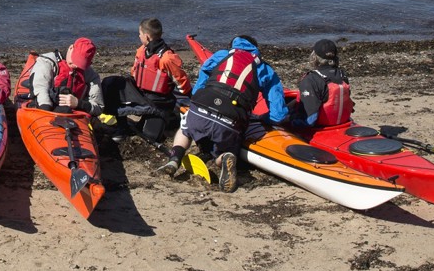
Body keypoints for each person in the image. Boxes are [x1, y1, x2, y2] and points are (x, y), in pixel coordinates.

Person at [164, 35, 285, 193]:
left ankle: (175, 157)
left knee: (185, 128)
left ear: (233, 46)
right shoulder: (266, 70)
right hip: (231, 121)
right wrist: (259, 118)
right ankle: (224, 157)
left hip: (202, 109)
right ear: (256, 50)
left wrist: (199, 103)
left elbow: (197, 89)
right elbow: (279, 115)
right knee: (226, 149)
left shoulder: (221, 55)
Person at [99, 18, 189, 144]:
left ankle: (167, 118)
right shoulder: (142, 50)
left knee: (150, 136)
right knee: (111, 83)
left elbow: (182, 83)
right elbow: (134, 72)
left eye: (140, 34)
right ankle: (122, 126)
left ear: (146, 36)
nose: (138, 36)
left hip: (158, 102)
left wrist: (189, 98)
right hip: (141, 92)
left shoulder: (167, 58)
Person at [16, 38, 104, 114]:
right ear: (70, 48)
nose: (75, 65)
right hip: (46, 108)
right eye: (75, 60)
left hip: (74, 112)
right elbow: (41, 87)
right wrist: (45, 109)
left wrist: (78, 103)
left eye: (81, 64)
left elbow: (99, 107)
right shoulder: (47, 62)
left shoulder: (91, 75)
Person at [282, 38, 354, 131]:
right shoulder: (342, 75)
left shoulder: (311, 80)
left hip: (319, 127)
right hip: (341, 122)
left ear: (314, 57)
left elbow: (310, 119)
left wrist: (287, 121)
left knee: (282, 115)